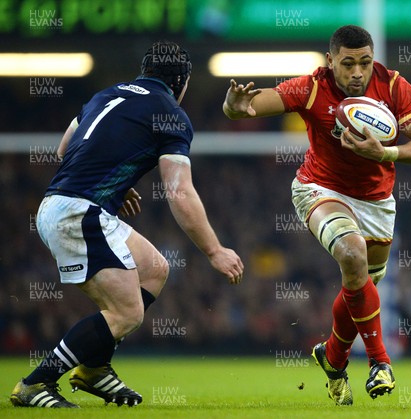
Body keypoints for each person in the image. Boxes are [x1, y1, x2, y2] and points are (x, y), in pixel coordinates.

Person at [11, 41, 244, 408]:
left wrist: (115, 181)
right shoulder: (171, 114)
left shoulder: (104, 94)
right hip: (78, 214)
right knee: (128, 312)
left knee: (154, 269)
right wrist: (214, 250)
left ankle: (93, 368)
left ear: (144, 71)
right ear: (182, 82)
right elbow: (179, 192)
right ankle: (35, 383)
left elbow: (64, 150)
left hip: (72, 205)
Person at [223, 25, 411, 405]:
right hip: (319, 189)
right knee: (352, 254)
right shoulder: (311, 87)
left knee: (358, 282)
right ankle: (380, 362)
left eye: (364, 62)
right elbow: (249, 106)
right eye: (347, 64)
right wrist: (234, 106)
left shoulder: (392, 87)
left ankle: (333, 357)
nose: (358, 72)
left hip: (376, 203)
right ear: (331, 62)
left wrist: (388, 154)